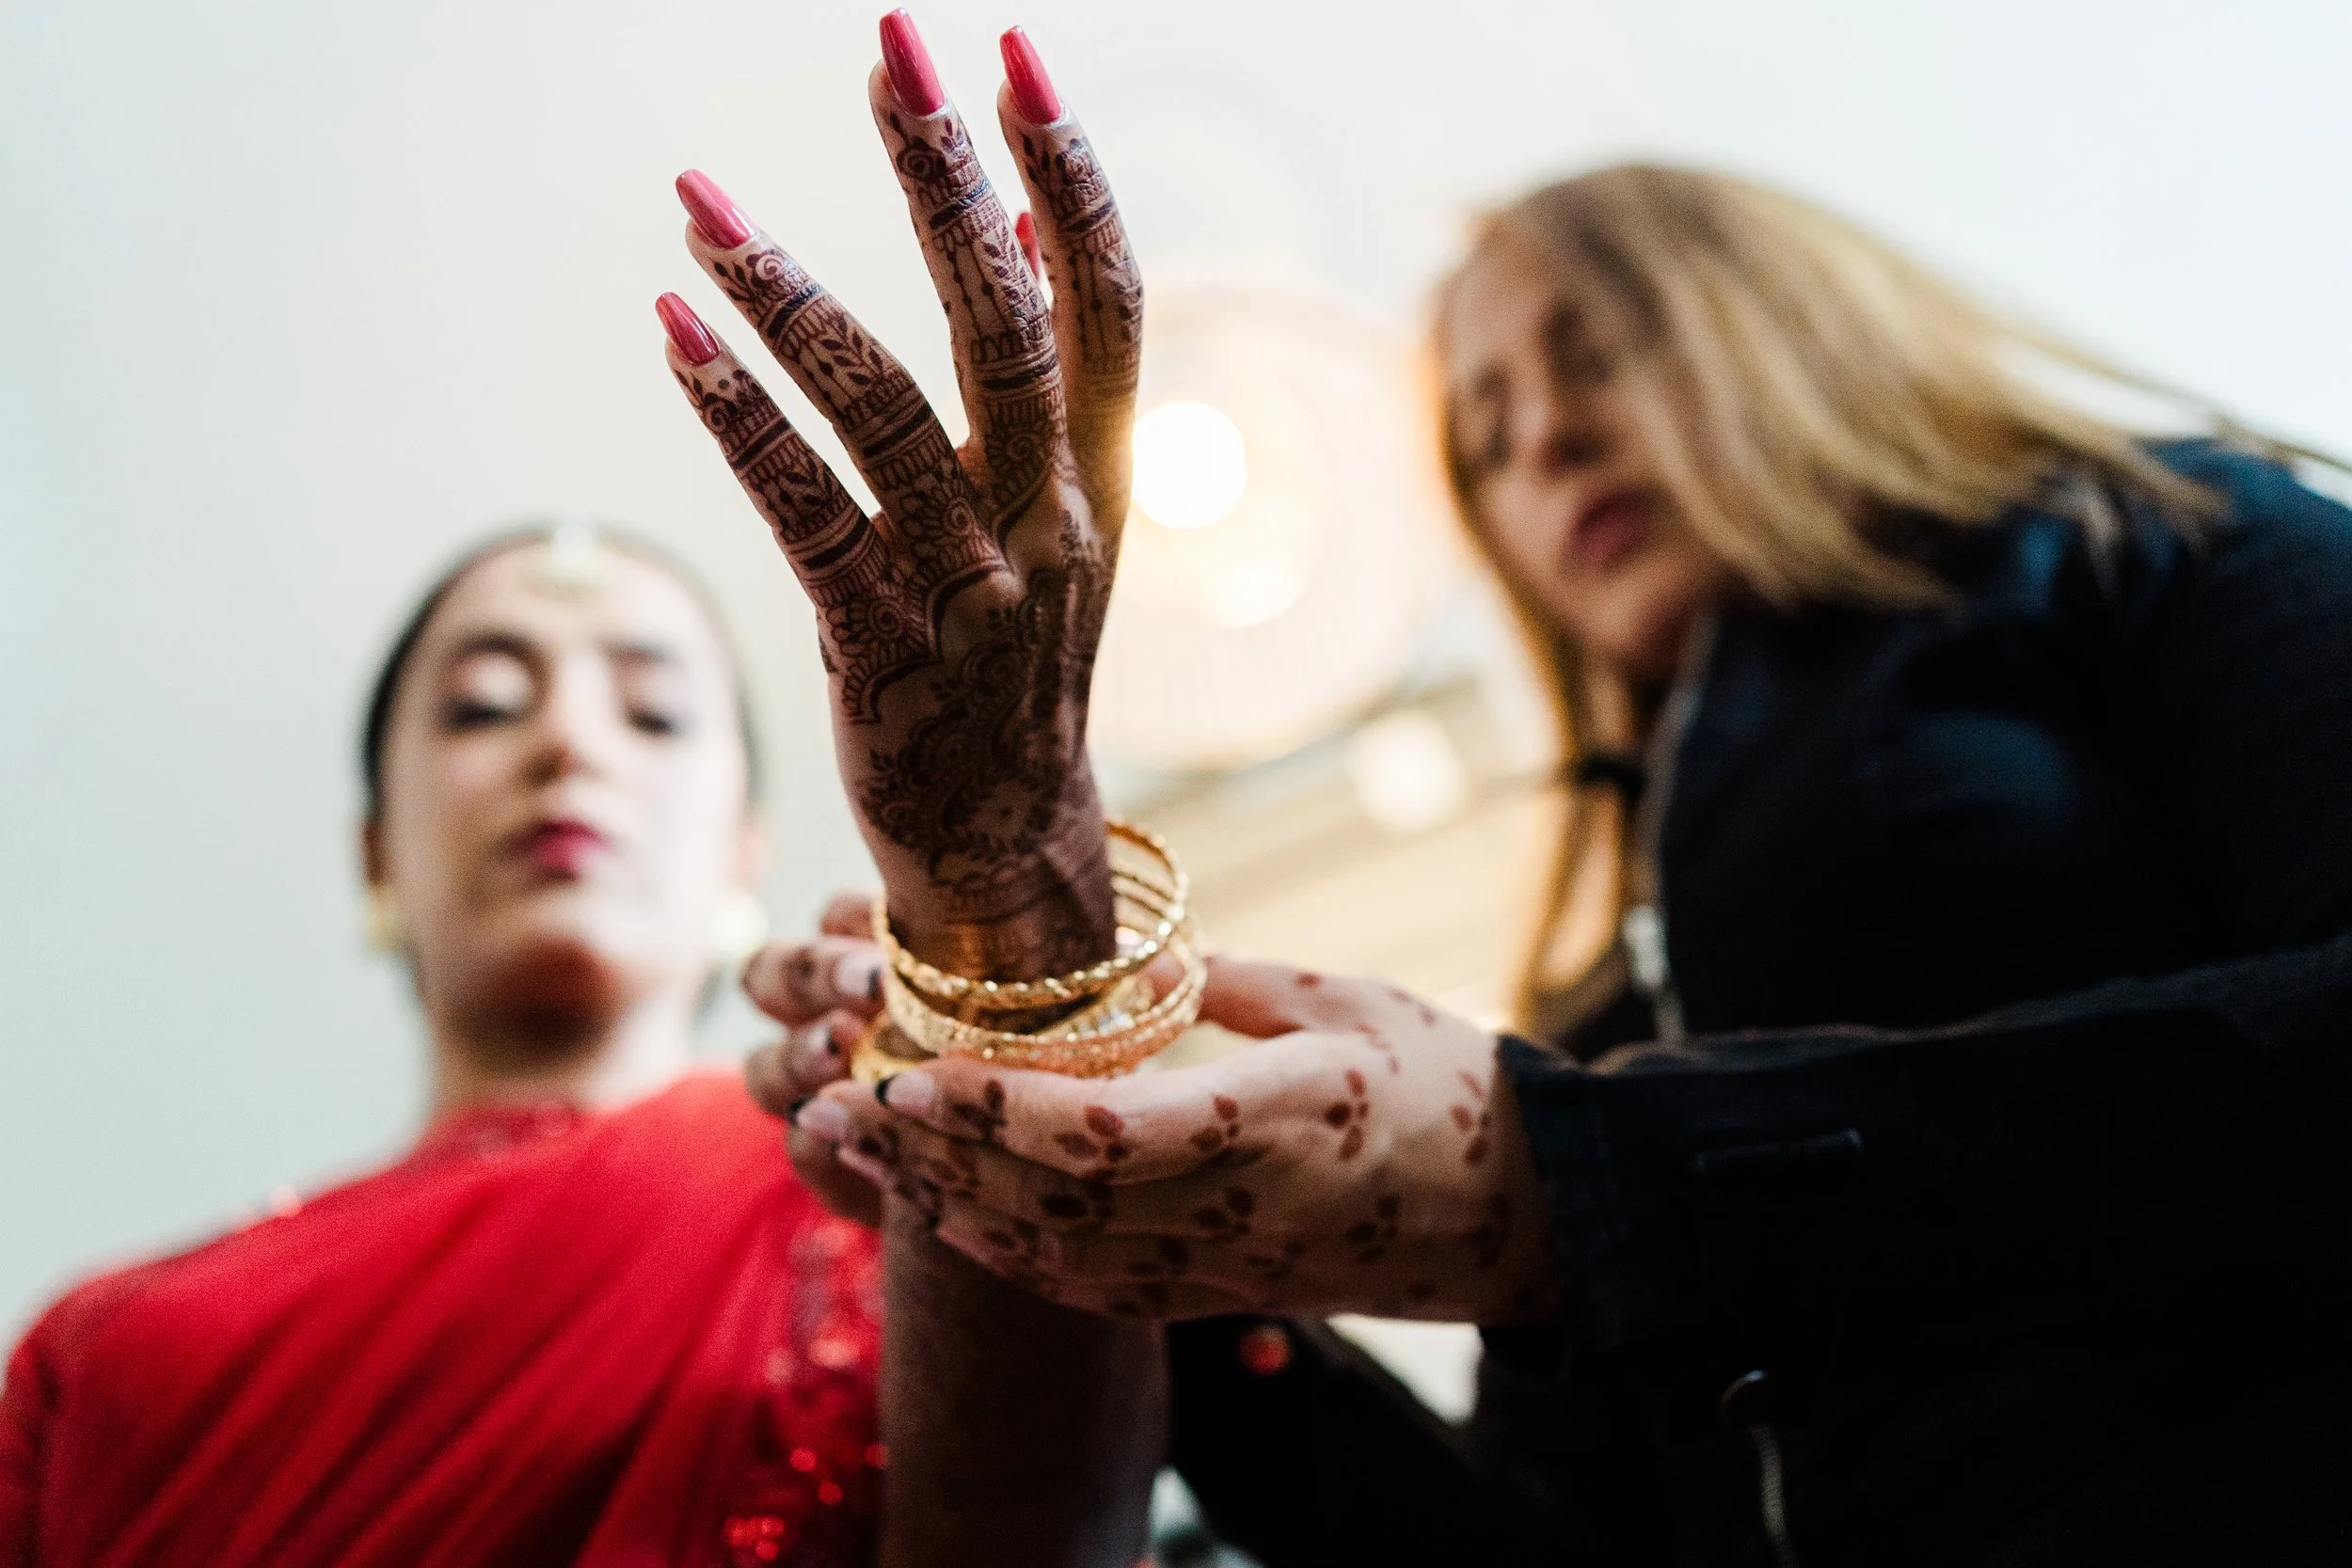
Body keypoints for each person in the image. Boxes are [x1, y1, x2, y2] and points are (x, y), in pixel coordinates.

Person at [666, 17, 2352, 1560]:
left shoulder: (2153, 539)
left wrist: (1584, 1178)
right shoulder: (1601, 954)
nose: (1537, 442)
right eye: (1485, 432)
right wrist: (1124, 1212)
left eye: (1595, 354)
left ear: (1782, 324)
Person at [0, 527, 885, 1567]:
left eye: (655, 714)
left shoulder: (881, 1192)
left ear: (744, 852)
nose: (569, 742)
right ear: (377, 851)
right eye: (483, 705)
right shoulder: (111, 1355)